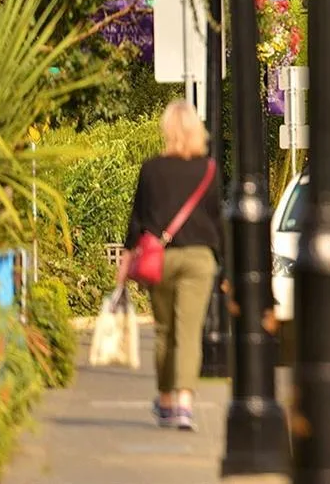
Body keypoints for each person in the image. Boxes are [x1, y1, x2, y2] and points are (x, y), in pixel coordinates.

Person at [121, 100, 222, 432]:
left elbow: (138, 220)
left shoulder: (151, 169)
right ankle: (184, 404)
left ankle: (165, 401)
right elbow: (217, 219)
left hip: (160, 258)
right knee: (189, 332)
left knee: (165, 330)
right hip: (199, 259)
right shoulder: (208, 169)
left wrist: (126, 259)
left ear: (167, 129)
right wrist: (225, 264)